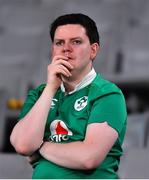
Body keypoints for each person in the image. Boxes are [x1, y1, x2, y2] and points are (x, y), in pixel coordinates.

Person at [10, 13, 127, 179]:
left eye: (76, 42)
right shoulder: (39, 94)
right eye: (59, 43)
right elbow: (23, 145)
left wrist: (40, 146)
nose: (66, 48)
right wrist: (51, 88)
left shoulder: (108, 94)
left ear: (93, 50)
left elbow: (88, 157)